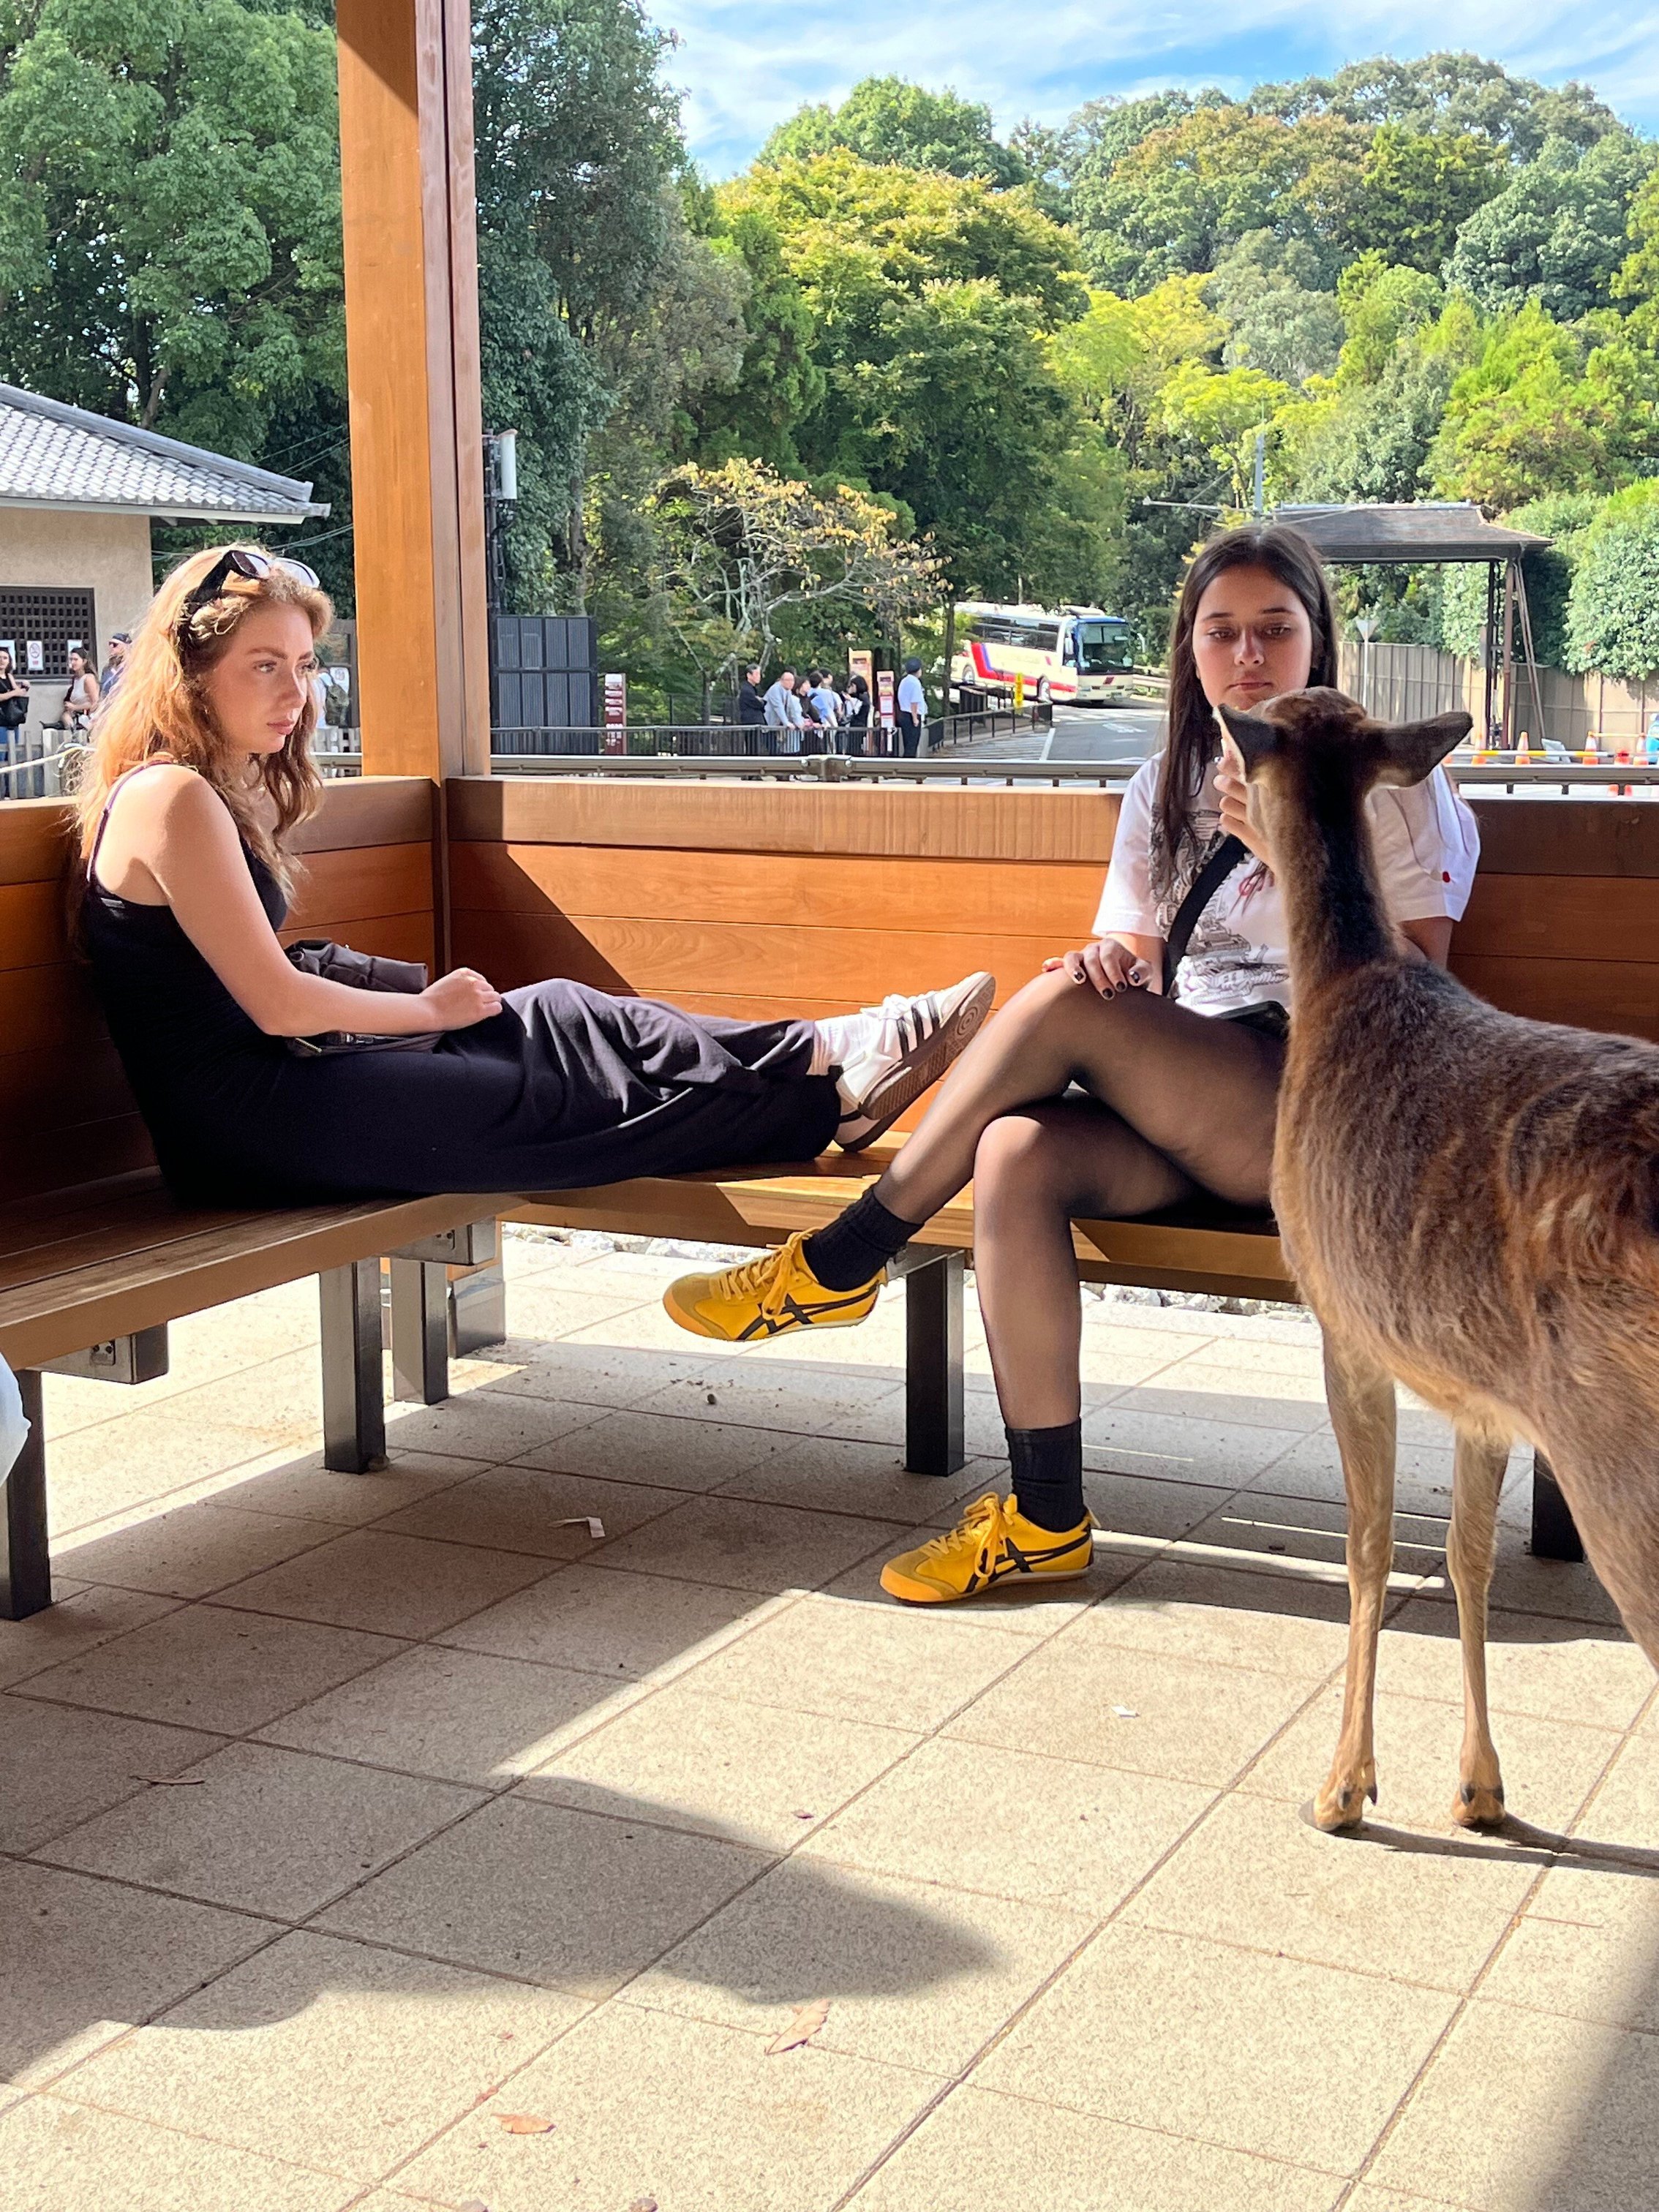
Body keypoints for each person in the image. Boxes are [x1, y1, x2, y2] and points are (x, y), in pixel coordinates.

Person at [664, 524, 1480, 1603]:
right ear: (1190, 652)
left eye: (1274, 632)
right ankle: (1046, 1517)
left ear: (1317, 644)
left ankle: (849, 1256)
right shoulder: (1164, 787)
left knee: (1054, 1008)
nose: (1249, 657)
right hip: (1196, 1095)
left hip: (1321, 1102)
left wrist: (1295, 850)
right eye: (1222, 633)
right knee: (1015, 1151)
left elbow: (1414, 988)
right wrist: (1114, 969)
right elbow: (1148, 970)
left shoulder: (1389, 782)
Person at [77, 543, 998, 1208]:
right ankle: (827, 1091)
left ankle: (828, 1054)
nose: (296, 693)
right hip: (246, 1125)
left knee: (559, 1008)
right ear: (190, 679)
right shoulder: (171, 798)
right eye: (264, 666)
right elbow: (277, 1004)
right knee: (558, 1103)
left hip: (291, 1084)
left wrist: (426, 1014)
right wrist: (430, 1012)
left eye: (307, 666)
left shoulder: (215, 788)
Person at [59, 647, 99, 735]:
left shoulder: (88, 679)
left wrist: (75, 707)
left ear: (84, 661)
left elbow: (95, 703)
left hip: (87, 716)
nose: (73, 662)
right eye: (71, 660)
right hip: (75, 716)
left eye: (76, 660)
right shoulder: (75, 679)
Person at [764, 668, 805, 753]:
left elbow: (791, 708)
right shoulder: (775, 689)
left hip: (776, 724)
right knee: (772, 748)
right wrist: (787, 723)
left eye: (792, 680)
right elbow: (778, 707)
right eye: (788, 680)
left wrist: (798, 723)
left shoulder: (788, 691)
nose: (791, 683)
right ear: (782, 680)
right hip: (767, 722)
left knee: (775, 748)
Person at [0, 647, 30, 761]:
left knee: (12, 754)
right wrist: (14, 693)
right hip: (1, 721)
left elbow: (18, 693)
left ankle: (9, 779)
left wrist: (25, 687)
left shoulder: (9, 676)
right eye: (0, 658)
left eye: (5, 658)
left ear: (9, 661)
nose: (2, 660)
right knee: (1, 754)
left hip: (12, 718)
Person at [897, 657, 928, 757]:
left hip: (903, 714)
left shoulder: (904, 681)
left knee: (907, 743)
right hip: (912, 715)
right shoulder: (915, 683)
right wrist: (915, 719)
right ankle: (909, 766)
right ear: (918, 670)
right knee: (912, 744)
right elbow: (914, 702)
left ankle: (905, 765)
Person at [843, 672, 872, 757]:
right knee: (854, 746)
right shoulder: (864, 696)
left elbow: (857, 710)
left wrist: (850, 699)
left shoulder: (862, 698)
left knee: (854, 747)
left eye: (852, 686)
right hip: (859, 725)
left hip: (858, 725)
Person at [100, 633, 131, 697]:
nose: (111, 646)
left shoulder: (131, 667)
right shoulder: (107, 669)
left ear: (124, 647)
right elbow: (103, 692)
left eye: (115, 645)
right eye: (110, 644)